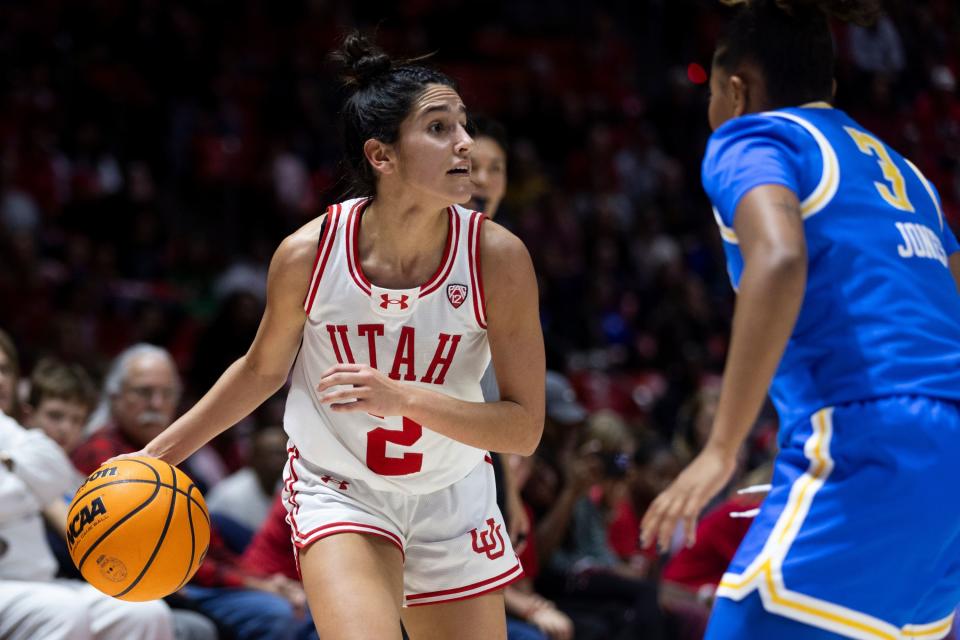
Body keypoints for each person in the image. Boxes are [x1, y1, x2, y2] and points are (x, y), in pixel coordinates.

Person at [110, 32, 545, 640]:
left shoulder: (498, 259)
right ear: (382, 156)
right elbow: (262, 371)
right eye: (440, 127)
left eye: (464, 125)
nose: (466, 143)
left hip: (451, 493)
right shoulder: (308, 255)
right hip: (340, 487)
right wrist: (153, 457)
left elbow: (525, 426)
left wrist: (400, 398)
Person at [641, 1, 960, 638]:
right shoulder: (905, 171)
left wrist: (721, 449)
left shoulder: (754, 136)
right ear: (830, 89)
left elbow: (781, 259)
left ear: (735, 90)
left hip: (865, 432)